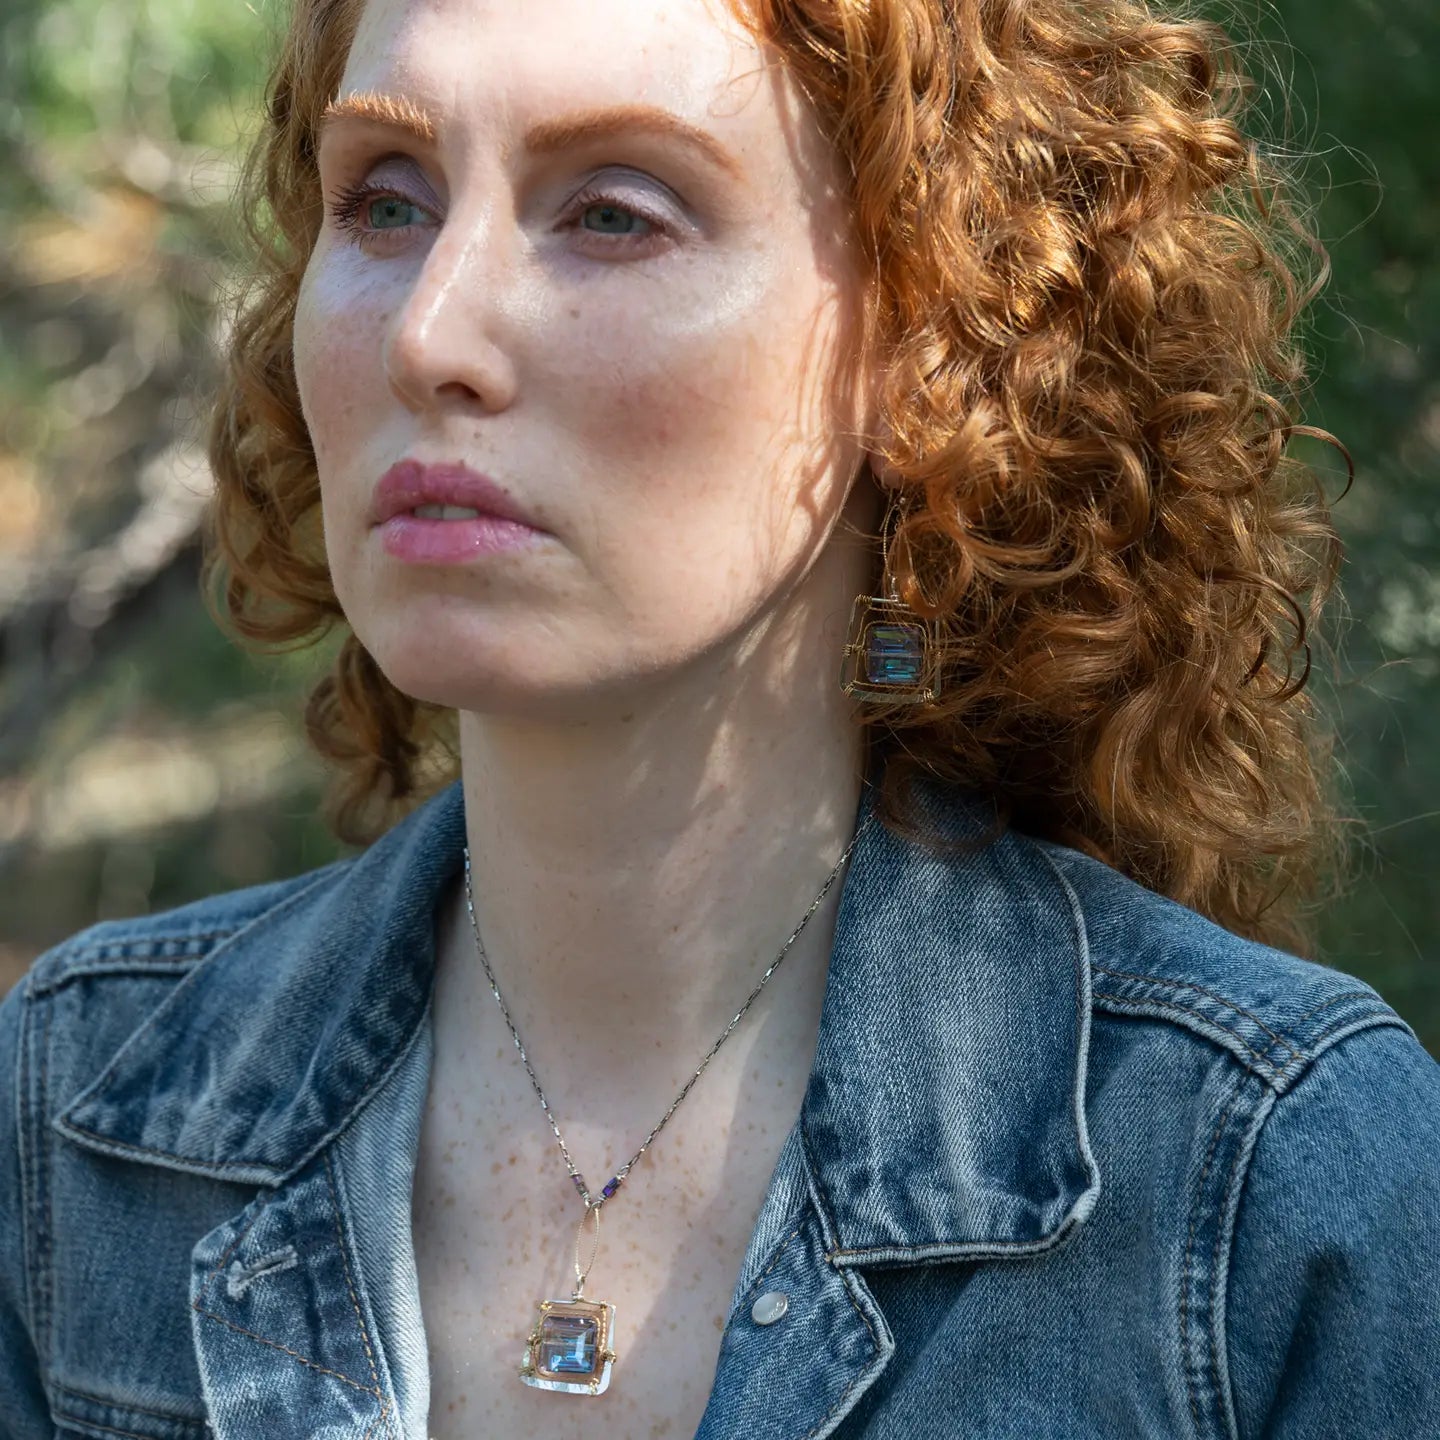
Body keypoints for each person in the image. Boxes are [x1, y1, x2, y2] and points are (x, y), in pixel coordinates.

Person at [2, 0, 1438, 1435]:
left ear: (931, 337)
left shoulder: (1268, 1185)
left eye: (612, 215)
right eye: (386, 201)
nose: (432, 334)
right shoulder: (71, 1125)